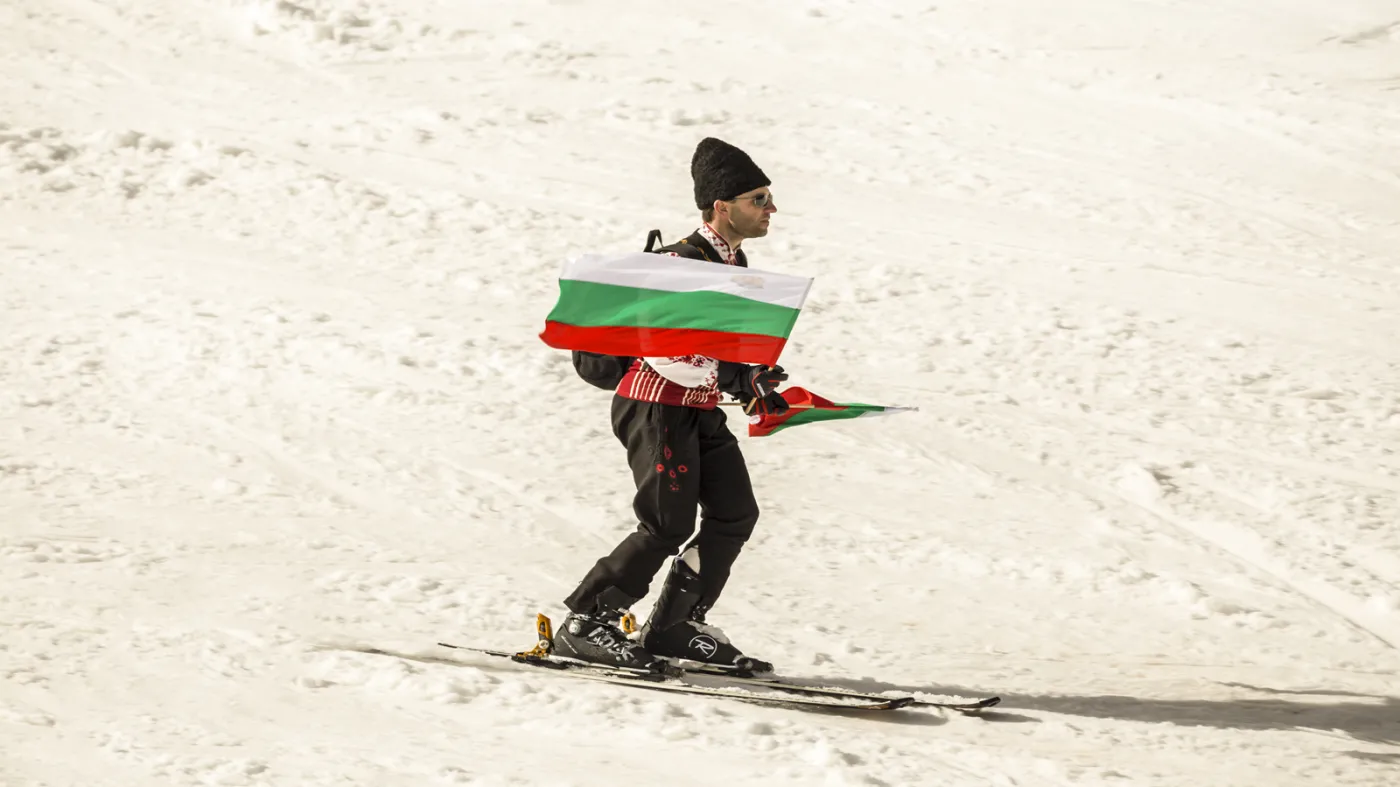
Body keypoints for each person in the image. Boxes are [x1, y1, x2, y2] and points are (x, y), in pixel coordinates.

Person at [553, 138, 791, 673]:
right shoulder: (679, 263)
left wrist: (751, 378)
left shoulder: (730, 261)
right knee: (666, 523)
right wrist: (727, 366)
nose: (771, 209)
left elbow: (713, 348)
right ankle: (587, 622)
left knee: (735, 512)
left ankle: (675, 626)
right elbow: (659, 343)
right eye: (759, 199)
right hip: (655, 406)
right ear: (721, 206)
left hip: (697, 406)